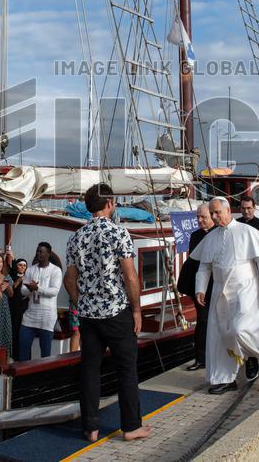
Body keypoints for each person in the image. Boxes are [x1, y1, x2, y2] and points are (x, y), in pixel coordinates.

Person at [65, 183, 152, 443]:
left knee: (90, 370)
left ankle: (90, 428)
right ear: (110, 204)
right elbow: (130, 277)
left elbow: (69, 279)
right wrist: (136, 310)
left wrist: (82, 302)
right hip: (116, 312)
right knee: (126, 369)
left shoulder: (76, 237)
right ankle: (131, 426)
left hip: (89, 315)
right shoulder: (119, 233)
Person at [193, 198, 259, 394]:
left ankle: (252, 357)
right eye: (212, 214)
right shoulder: (211, 236)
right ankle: (225, 379)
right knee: (219, 335)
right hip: (219, 291)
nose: (214, 217)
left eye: (217, 213)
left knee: (240, 329)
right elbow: (204, 266)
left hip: (246, 289)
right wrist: (200, 288)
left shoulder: (248, 232)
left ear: (227, 211)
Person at [177, 203, 214, 371]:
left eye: (203, 217)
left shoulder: (220, 233)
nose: (199, 220)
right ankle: (201, 358)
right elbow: (195, 263)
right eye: (197, 217)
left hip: (218, 284)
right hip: (201, 286)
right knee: (203, 321)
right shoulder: (195, 236)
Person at [18, 242, 63, 361]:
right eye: (37, 251)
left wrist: (38, 288)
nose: (38, 254)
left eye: (41, 252)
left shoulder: (56, 270)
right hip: (30, 315)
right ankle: (24, 376)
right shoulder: (30, 270)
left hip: (47, 317)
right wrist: (30, 289)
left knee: (45, 355)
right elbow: (23, 291)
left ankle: (43, 378)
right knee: (23, 350)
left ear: (48, 254)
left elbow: (54, 291)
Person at [8, 258, 29, 353]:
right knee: (14, 330)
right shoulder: (11, 276)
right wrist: (20, 279)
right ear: (16, 266)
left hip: (25, 306)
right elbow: (11, 289)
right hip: (14, 307)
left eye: (24, 265)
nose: (22, 267)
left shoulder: (28, 277)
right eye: (20, 265)